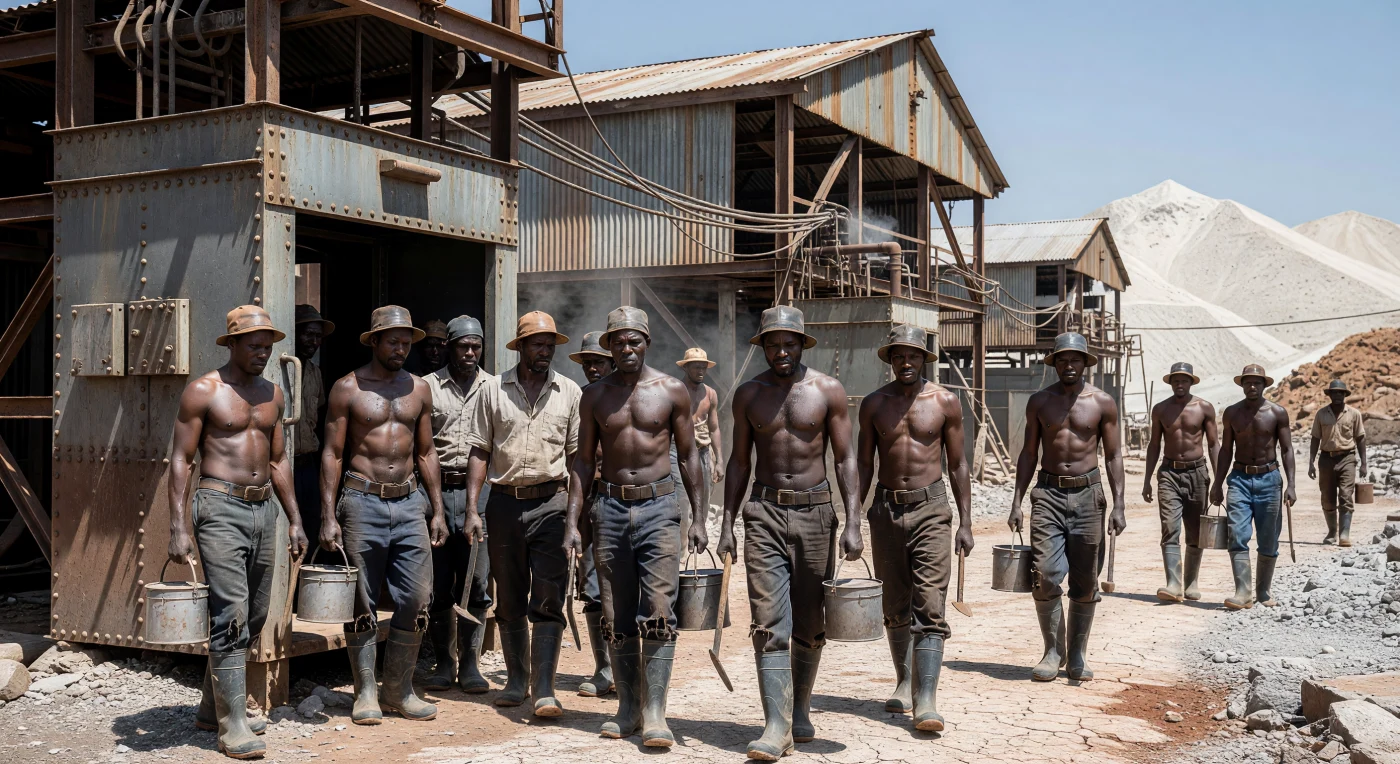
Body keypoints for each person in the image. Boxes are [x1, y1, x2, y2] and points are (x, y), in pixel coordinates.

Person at [714, 305, 863, 760]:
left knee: (810, 620)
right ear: (762, 346)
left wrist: (853, 520)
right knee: (769, 620)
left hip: (817, 515)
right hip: (763, 513)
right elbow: (739, 462)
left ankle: (799, 708)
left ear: (802, 344)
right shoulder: (748, 395)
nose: (781, 350)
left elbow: (845, 459)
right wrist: (726, 523)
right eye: (773, 343)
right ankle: (775, 725)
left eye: (789, 342)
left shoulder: (828, 390)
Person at [168, 305, 309, 759]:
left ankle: (214, 708)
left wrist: (295, 520)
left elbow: (279, 459)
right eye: (254, 346)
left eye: (268, 347)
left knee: (254, 614)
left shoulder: (273, 394)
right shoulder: (204, 391)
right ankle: (233, 725)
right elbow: (180, 459)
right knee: (230, 611)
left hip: (264, 508)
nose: (263, 354)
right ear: (232, 344)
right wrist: (178, 526)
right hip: (219, 505)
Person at [564, 307, 707, 747]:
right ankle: (627, 709)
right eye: (619, 341)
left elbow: (688, 456)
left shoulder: (672, 391)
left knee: (659, 610)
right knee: (615, 610)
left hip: (660, 509)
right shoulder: (594, 397)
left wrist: (700, 516)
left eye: (634, 341)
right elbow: (583, 462)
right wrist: (573, 521)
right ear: (608, 346)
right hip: (607, 510)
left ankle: (655, 712)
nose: (627, 348)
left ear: (647, 343)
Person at [320, 305, 449, 725]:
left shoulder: (419, 389)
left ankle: (398, 689)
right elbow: (333, 453)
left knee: (416, 596)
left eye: (406, 341)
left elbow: (426, 451)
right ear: (373, 340)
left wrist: (437, 510)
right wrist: (328, 513)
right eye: (392, 340)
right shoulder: (348, 388)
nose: (401, 348)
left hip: (410, 502)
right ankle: (366, 694)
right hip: (361, 501)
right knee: (362, 598)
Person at [464, 311, 581, 717]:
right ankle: (516, 681)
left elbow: (577, 459)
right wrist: (473, 509)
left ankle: (544, 688)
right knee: (509, 595)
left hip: (552, 502)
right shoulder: (492, 390)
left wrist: (573, 520)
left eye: (550, 345)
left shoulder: (570, 392)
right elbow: (479, 450)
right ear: (521, 348)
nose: (545, 351)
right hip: (503, 504)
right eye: (538, 344)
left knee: (549, 595)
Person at [856, 325, 972, 732]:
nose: (907, 362)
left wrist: (966, 522)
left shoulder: (945, 401)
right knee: (894, 603)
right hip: (886, 511)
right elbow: (863, 465)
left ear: (925, 358)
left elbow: (958, 464)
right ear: (890, 359)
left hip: (932, 510)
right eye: (899, 355)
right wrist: (854, 518)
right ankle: (904, 680)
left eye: (914, 355)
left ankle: (927, 699)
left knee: (930, 603)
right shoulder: (873, 404)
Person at [1009, 332, 1126, 683]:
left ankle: (1076, 653)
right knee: (1044, 575)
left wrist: (1119, 504)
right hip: (1047, 494)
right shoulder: (1040, 402)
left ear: (1085, 362)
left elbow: (1115, 455)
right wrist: (1016, 499)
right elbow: (1029, 453)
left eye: (1075, 359)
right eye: (1062, 359)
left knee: (1086, 579)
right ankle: (1052, 650)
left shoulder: (1103, 402)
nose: (1068, 365)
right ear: (1054, 363)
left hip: (1089, 497)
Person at [423, 316, 494, 694]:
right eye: (463, 346)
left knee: (477, 581)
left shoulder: (494, 387)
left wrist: (476, 507)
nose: (470, 353)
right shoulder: (429, 387)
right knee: (438, 582)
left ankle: (470, 664)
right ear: (449, 347)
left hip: (478, 495)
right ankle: (443, 662)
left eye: (476, 346)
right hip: (437, 491)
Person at [1209, 364, 1297, 609]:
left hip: (1270, 479)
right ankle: (1243, 592)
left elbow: (1287, 450)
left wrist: (1291, 485)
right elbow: (1226, 450)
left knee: (1269, 539)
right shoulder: (1232, 413)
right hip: (1239, 478)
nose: (1252, 386)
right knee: (1237, 534)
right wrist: (1217, 483)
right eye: (1248, 382)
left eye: (1257, 382)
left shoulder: (1277, 413)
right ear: (1241, 385)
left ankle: (1263, 592)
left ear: (1264, 385)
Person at [1142, 362, 1219, 602]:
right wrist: (1147, 480)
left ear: (1191, 382)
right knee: (1170, 527)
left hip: (1197, 473)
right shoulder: (1160, 410)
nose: (1180, 384)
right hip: (1169, 473)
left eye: (1184, 380)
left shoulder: (1204, 408)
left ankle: (1191, 582)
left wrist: (1218, 481)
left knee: (1196, 531)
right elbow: (1154, 445)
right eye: (1176, 380)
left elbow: (1214, 444)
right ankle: (1173, 583)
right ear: (1170, 382)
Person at [567, 331, 616, 698]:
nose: (592, 369)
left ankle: (628, 666)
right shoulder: (582, 399)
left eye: (598, 361)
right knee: (593, 588)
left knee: (631, 588)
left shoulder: (630, 395)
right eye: (587, 364)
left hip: (625, 502)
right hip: (589, 504)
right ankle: (604, 667)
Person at [668, 347, 724, 545]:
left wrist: (719, 461)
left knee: (703, 502)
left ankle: (696, 542)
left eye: (703, 367)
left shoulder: (710, 394)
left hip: (702, 452)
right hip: (678, 452)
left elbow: (714, 428)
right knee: (682, 502)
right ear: (686, 368)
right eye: (696, 367)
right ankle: (681, 551)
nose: (701, 371)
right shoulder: (675, 390)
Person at [1309, 379, 1367, 547]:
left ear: (1344, 395)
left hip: (1347, 458)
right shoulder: (1321, 414)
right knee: (1327, 497)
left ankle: (1344, 533)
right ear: (1330, 395)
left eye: (1340, 393)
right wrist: (1311, 462)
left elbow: (1361, 437)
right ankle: (1332, 532)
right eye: (1334, 392)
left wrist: (1364, 463)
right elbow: (1315, 438)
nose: (1337, 395)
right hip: (1326, 459)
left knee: (1346, 495)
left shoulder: (1354, 414)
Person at [293, 305, 333, 548]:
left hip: (307, 466)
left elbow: (317, 418)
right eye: (309, 334)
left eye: (318, 336)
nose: (314, 341)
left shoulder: (315, 373)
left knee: (310, 529)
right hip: (283, 467)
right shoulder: (278, 369)